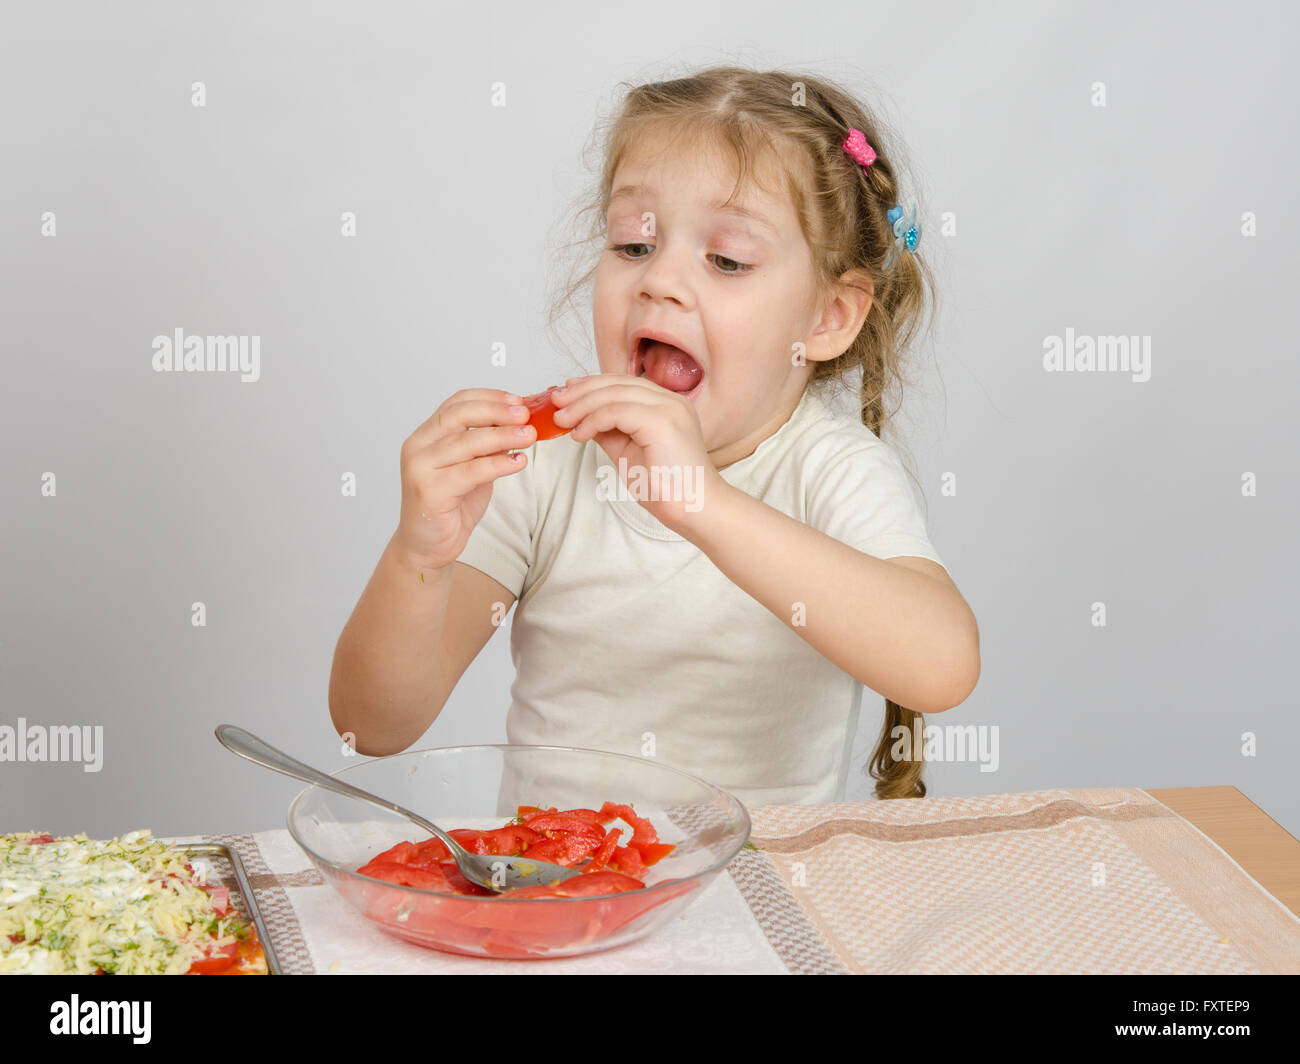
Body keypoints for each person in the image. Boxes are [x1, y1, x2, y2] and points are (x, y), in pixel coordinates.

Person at [330, 66, 979, 808]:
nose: (659, 282)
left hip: (764, 901)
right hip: (559, 897)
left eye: (727, 259)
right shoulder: (545, 470)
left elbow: (942, 666)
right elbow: (369, 728)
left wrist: (700, 503)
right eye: (634, 246)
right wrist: (419, 554)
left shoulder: (833, 473)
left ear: (828, 318)